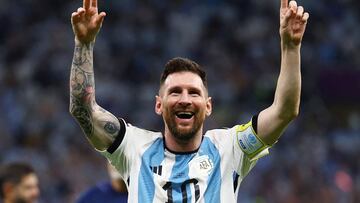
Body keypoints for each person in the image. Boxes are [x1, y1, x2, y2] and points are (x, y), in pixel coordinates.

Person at [69, 0, 309, 202]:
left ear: (208, 106)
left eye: (194, 92)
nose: (185, 99)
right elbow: (83, 110)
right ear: (158, 105)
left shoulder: (231, 149)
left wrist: (290, 46)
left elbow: (284, 111)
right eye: (175, 92)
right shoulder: (133, 147)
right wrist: (84, 44)